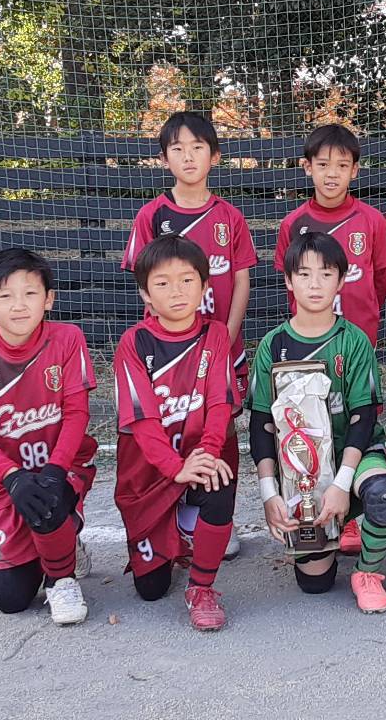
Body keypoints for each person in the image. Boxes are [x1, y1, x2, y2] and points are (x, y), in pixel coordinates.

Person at [122, 110, 257, 560]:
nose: (188, 156)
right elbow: (145, 283)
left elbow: (241, 280)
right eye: (177, 149)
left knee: (222, 423)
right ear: (164, 159)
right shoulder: (151, 215)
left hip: (220, 345)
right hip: (169, 350)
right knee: (173, 421)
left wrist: (224, 338)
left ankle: (216, 512)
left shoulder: (229, 216)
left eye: (197, 147)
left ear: (214, 156)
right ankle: (175, 505)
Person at [247, 232, 386, 614]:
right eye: (304, 274)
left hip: (355, 455)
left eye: (326, 273)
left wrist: (341, 483)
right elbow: (262, 423)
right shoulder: (272, 345)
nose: (315, 284)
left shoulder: (355, 341)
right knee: (314, 584)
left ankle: (367, 571)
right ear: (288, 280)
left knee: (383, 495)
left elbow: (363, 416)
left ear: (341, 280)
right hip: (302, 470)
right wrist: (269, 494)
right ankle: (337, 526)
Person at [0, 248, 98, 625]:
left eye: (30, 293)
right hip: (10, 479)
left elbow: (77, 413)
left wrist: (56, 469)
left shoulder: (68, 339)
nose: (19, 305)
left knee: (49, 500)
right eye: (5, 295)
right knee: (11, 600)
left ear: (48, 299)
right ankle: (63, 539)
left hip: (63, 467)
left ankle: (62, 579)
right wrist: (12, 476)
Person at [111, 235, 239, 631]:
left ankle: (201, 587)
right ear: (145, 294)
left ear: (204, 286)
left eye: (187, 280)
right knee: (150, 589)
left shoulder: (216, 334)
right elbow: (143, 421)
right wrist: (175, 468)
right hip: (150, 471)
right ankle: (175, 526)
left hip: (199, 456)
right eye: (163, 283)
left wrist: (209, 453)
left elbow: (219, 404)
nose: (177, 291)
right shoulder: (134, 342)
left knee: (219, 479)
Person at [275, 123, 386, 347]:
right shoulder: (292, 224)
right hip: (310, 337)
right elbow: (290, 283)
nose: (332, 173)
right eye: (323, 164)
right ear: (307, 166)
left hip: (361, 336)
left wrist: (365, 311)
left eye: (342, 165)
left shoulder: (373, 220)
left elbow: (382, 279)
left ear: (354, 170)